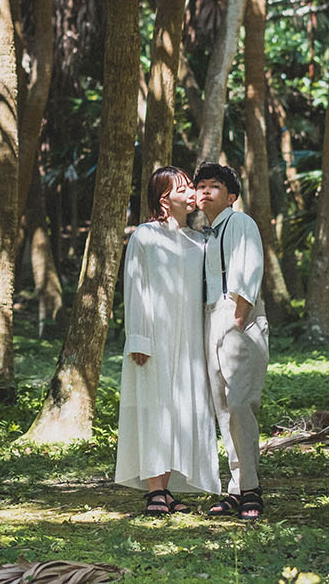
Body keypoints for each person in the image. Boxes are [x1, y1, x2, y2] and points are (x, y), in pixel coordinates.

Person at [114, 166, 220, 515]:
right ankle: (154, 491)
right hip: (154, 337)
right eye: (185, 187)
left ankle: (170, 487)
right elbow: (136, 287)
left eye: (193, 186)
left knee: (181, 407)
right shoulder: (145, 236)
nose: (193, 192)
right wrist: (139, 338)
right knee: (154, 406)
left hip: (190, 338)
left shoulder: (200, 241)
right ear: (164, 198)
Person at [193, 162, 269, 521]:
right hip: (212, 318)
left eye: (214, 186)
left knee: (241, 405)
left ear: (231, 196)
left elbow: (250, 266)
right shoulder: (204, 234)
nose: (205, 191)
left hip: (238, 315)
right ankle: (237, 489)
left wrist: (238, 318)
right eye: (201, 186)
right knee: (223, 408)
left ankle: (252, 489)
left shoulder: (240, 222)